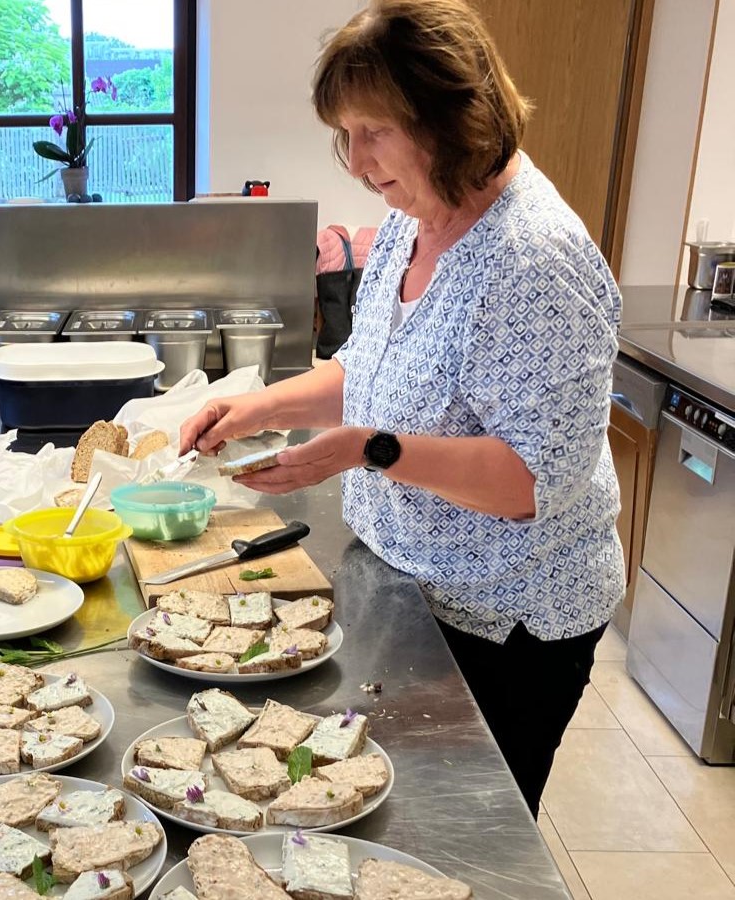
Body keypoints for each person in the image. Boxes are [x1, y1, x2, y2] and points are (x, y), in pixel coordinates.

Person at [179, 0, 623, 815]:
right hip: (408, 585)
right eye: (344, 135)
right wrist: (253, 408)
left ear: (455, 119)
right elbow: (371, 369)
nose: (355, 162)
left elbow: (531, 482)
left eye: (374, 132)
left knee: (460, 826)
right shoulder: (408, 222)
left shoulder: (533, 260)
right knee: (384, 802)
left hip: (506, 620)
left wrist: (369, 449)